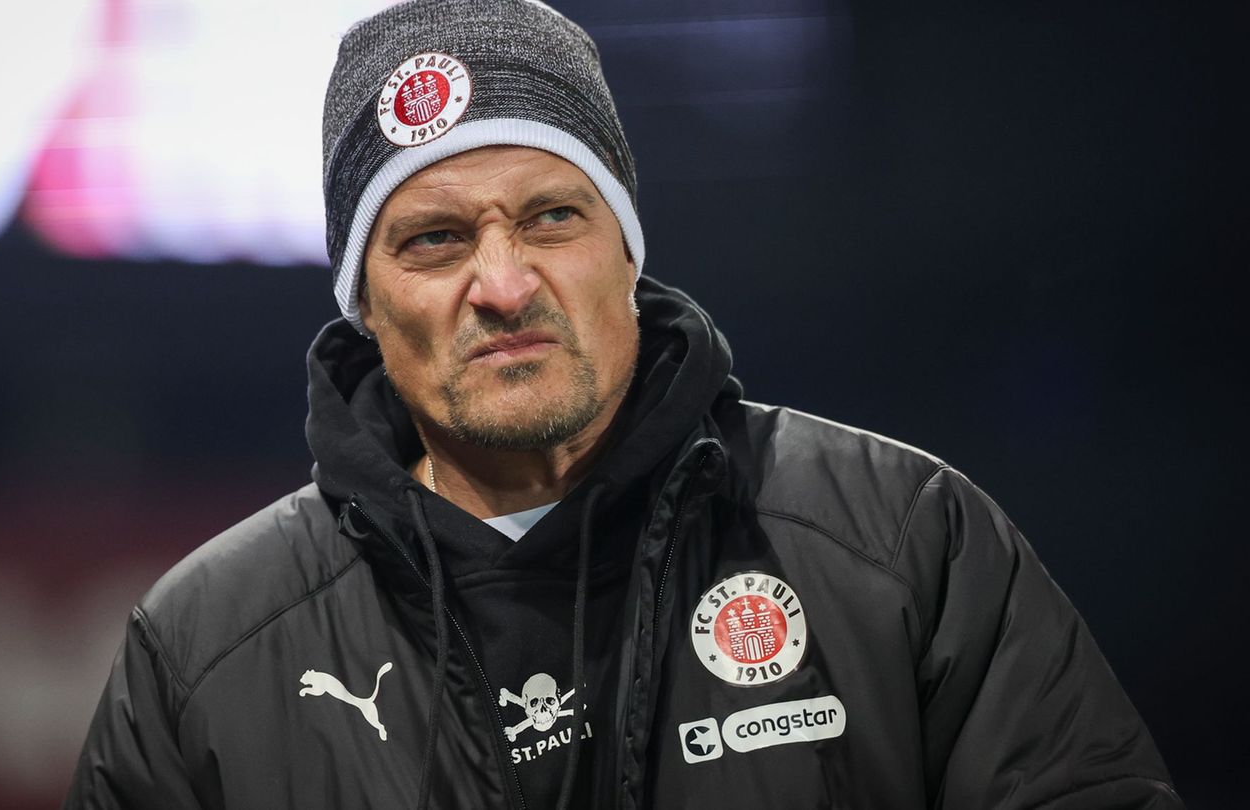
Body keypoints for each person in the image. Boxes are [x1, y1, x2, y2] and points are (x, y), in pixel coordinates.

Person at [64, 1, 1182, 807]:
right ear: (364, 300)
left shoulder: (900, 542)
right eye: (436, 239)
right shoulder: (204, 651)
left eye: (551, 217)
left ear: (625, 252)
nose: (504, 286)